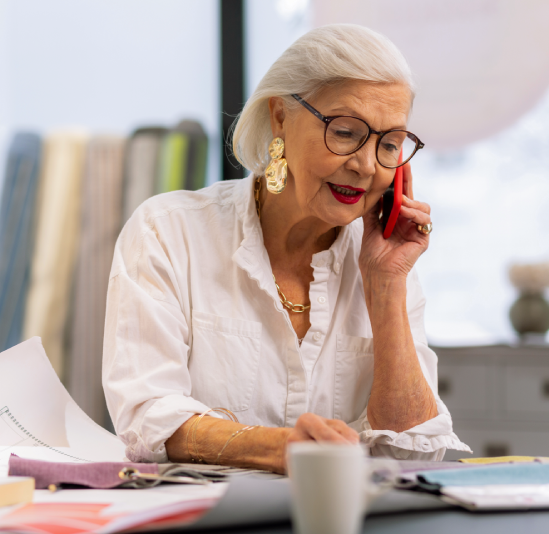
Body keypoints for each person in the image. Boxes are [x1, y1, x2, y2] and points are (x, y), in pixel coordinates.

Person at [102, 24, 469, 473]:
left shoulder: (384, 264)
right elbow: (145, 416)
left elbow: (414, 452)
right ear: (280, 116)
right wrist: (278, 448)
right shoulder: (168, 233)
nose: (366, 165)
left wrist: (385, 285)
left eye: (390, 144)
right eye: (346, 131)